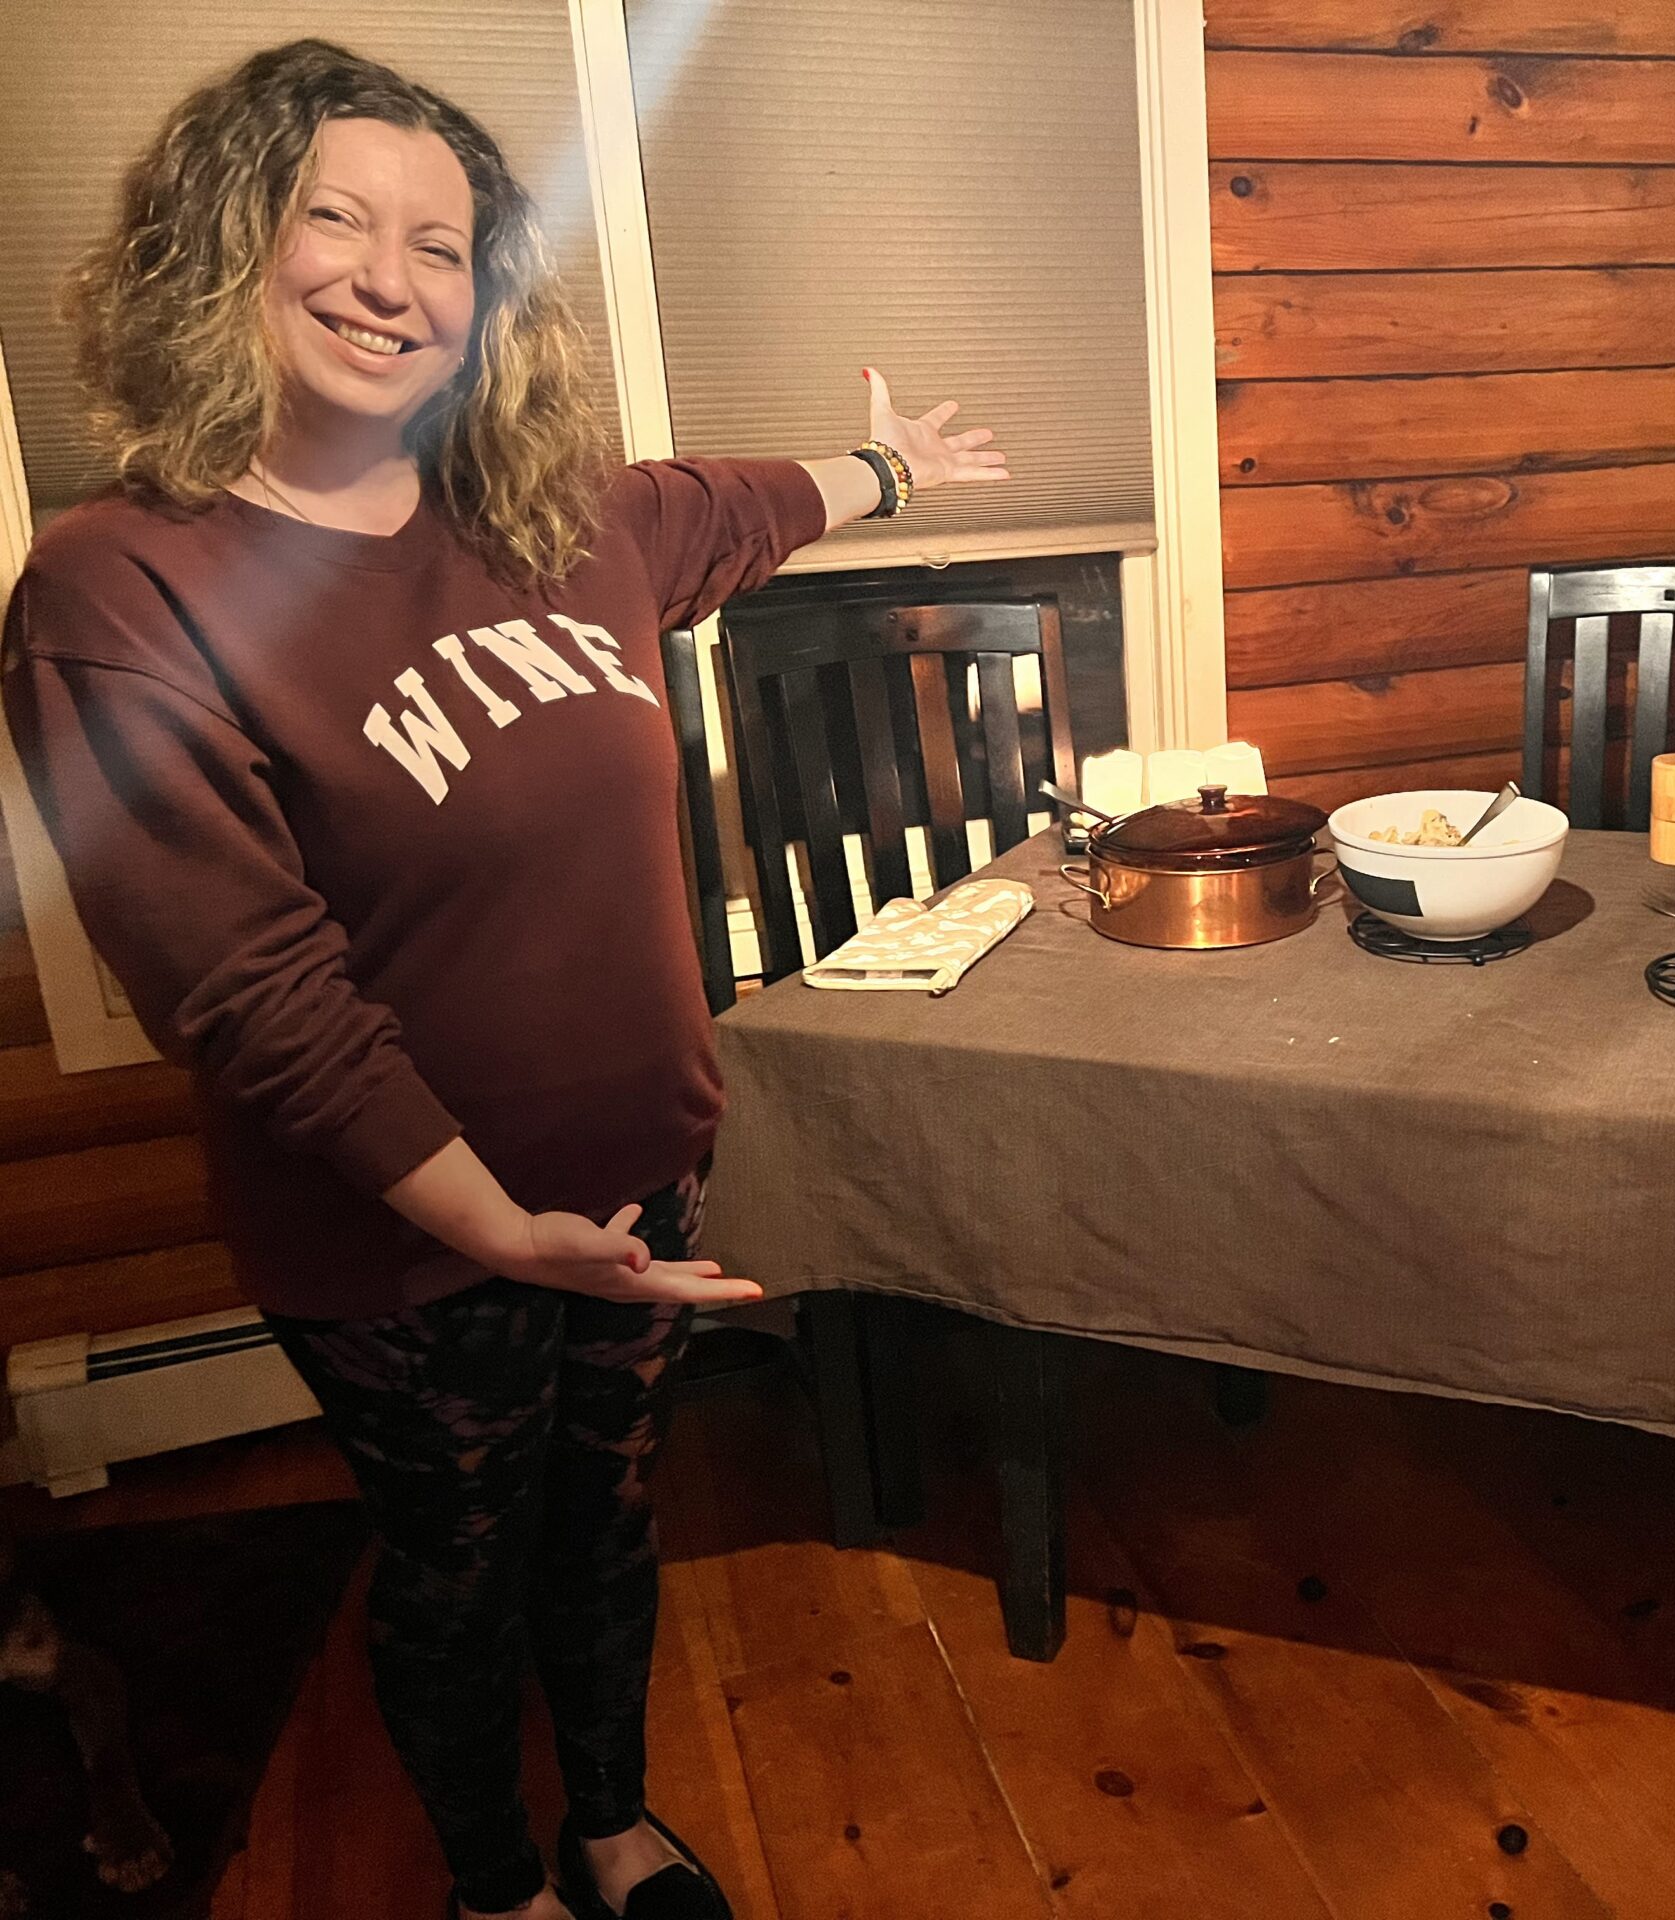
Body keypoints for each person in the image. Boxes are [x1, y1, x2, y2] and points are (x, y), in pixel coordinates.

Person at [2, 39, 1005, 1920]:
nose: (394, 278)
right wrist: (496, 1224)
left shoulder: (563, 519)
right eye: (338, 221)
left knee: (606, 1521)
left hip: (637, 1179)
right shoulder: (116, 588)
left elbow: (729, 508)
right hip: (404, 1238)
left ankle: (610, 1823)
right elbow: (251, 983)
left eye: (444, 245)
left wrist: (882, 469)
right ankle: (490, 1884)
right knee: (456, 1564)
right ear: (222, 244)